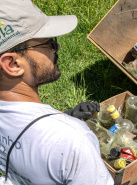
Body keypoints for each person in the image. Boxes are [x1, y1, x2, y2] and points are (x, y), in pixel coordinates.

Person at [0, 0, 114, 184]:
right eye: (48, 43)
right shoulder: (73, 140)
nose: (57, 48)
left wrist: (65, 115)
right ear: (13, 65)